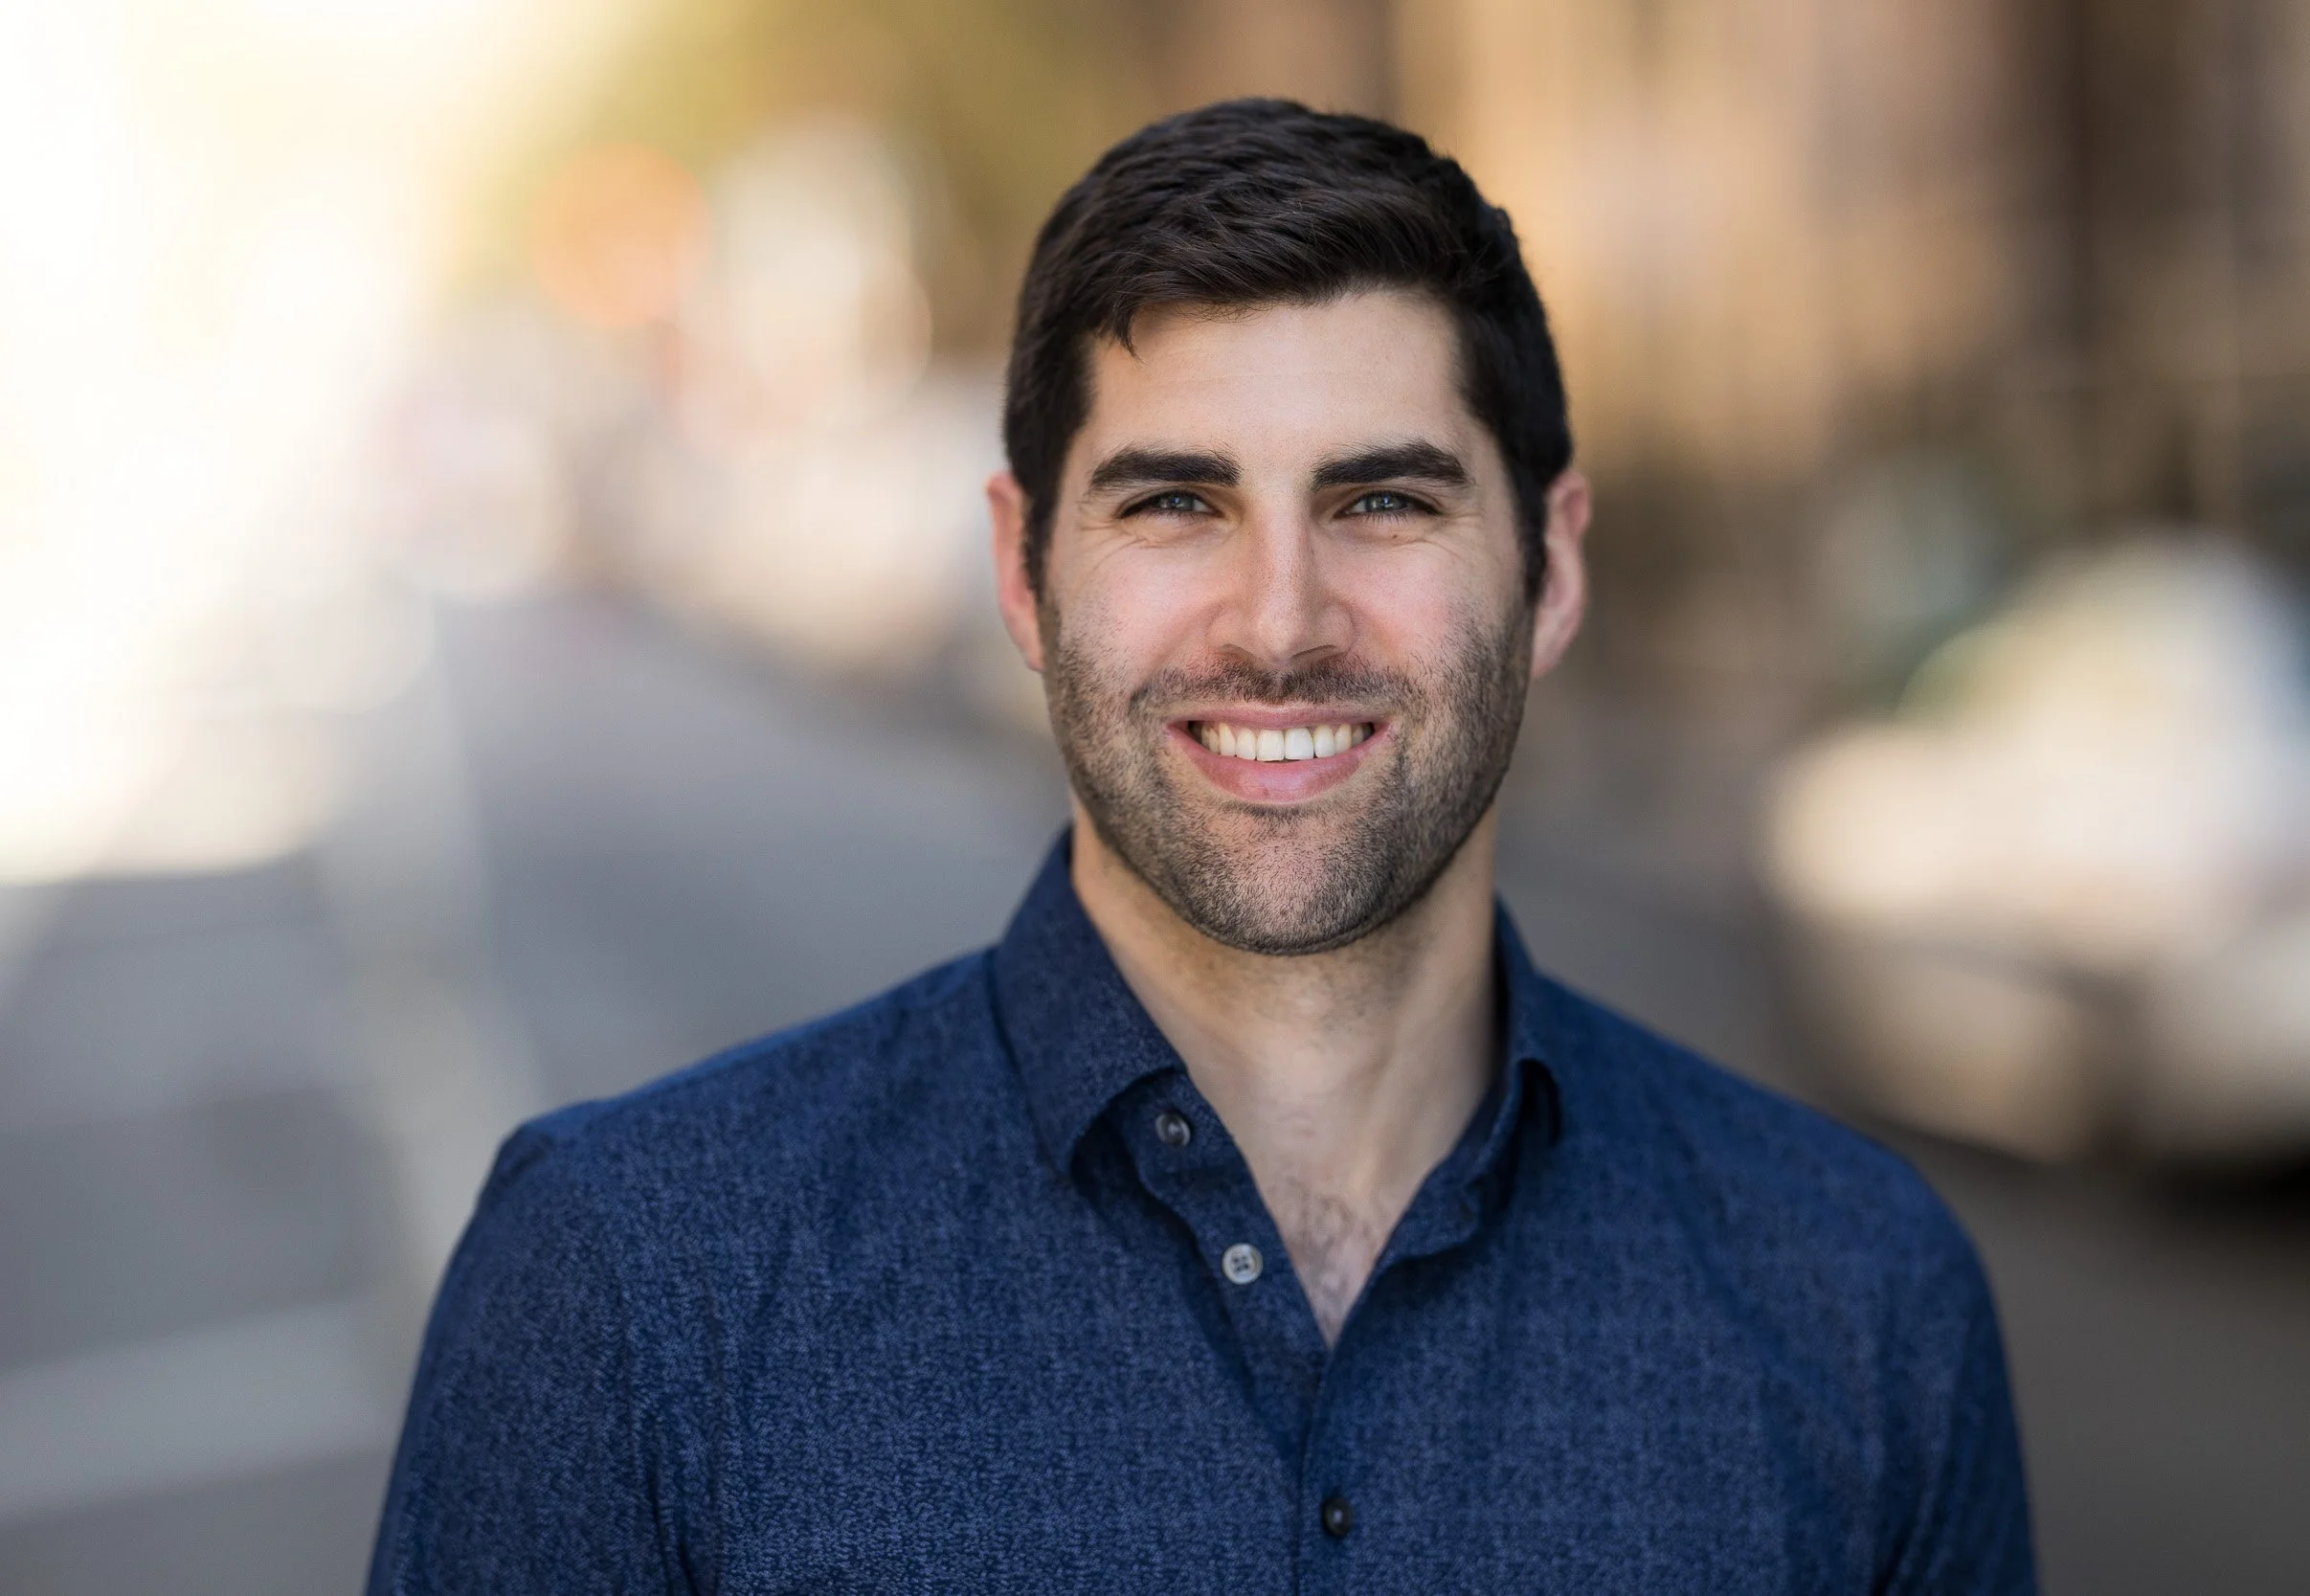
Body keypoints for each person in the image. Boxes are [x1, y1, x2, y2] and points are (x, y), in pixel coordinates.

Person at [369, 100, 2035, 1593]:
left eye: (1384, 501)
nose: (1283, 622)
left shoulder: (1862, 1297)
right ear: (1025, 575)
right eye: (1176, 504)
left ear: (1553, 568)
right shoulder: (631, 1286)